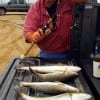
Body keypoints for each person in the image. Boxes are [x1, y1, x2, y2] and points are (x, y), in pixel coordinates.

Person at [23, 0, 88, 59]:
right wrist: (33, 36)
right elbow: (27, 33)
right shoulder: (35, 8)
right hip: (48, 54)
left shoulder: (67, 2)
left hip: (72, 52)